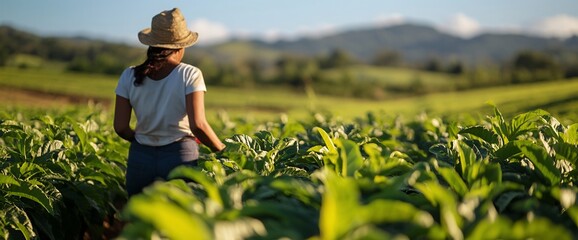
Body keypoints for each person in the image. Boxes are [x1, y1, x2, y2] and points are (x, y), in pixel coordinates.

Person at [113, 8, 225, 197]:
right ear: (180, 48)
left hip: (140, 158)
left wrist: (143, 141)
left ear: (151, 45)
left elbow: (121, 127)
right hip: (179, 156)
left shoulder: (129, 75)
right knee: (178, 219)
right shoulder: (190, 74)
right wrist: (221, 150)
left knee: (139, 220)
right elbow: (198, 125)